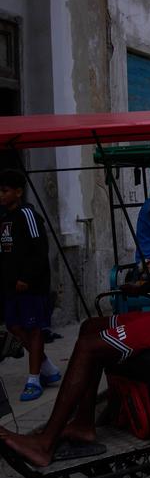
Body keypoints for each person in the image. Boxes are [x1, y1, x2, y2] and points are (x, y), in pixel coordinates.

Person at [0, 163, 150, 467]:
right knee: (90, 327)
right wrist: (146, 277)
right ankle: (83, 424)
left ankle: (45, 443)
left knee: (91, 346)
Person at [0, 170, 62, 401]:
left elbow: (39, 249)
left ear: (18, 192)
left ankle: (34, 378)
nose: (1, 195)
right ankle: (46, 366)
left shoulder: (27, 215)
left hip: (31, 286)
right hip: (10, 286)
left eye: (5, 191)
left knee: (34, 329)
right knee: (14, 326)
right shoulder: (4, 217)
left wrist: (27, 277)